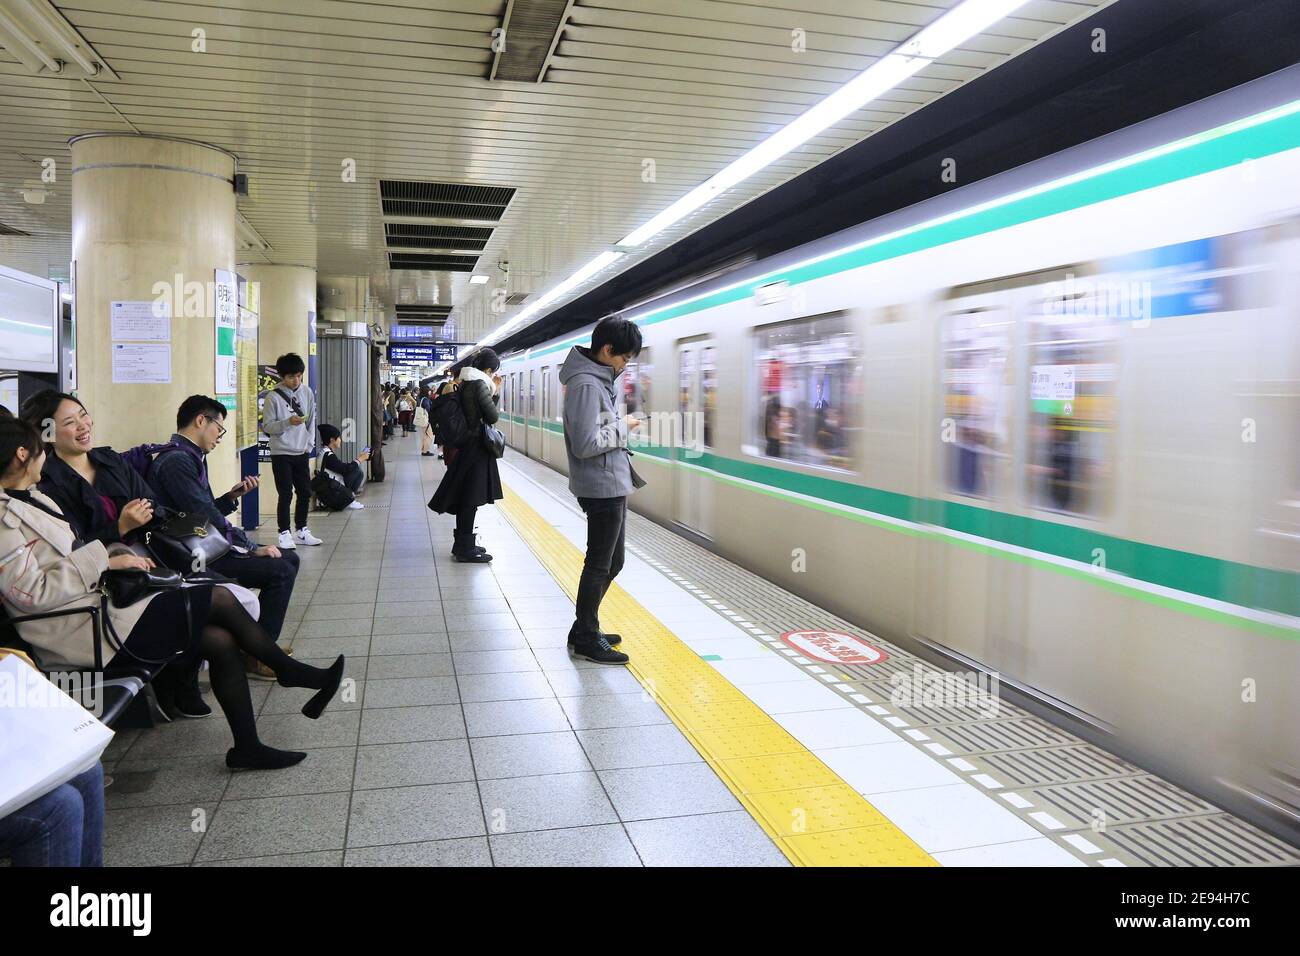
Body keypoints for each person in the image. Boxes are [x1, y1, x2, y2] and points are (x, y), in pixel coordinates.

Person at [0, 417, 344, 770]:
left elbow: (72, 554)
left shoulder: (34, 499)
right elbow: (30, 593)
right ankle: (289, 672)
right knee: (217, 598)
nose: (46, 455)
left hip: (101, 606)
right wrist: (104, 557)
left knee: (219, 639)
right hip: (80, 629)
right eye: (41, 447)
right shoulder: (5, 520)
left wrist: (113, 555)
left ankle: (248, 745)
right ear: (21, 454)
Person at [149, 395, 303, 684]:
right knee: (281, 569)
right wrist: (250, 547)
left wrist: (231, 498)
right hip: (189, 556)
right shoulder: (176, 462)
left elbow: (197, 514)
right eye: (219, 429)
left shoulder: (187, 457)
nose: (220, 437)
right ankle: (256, 656)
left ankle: (260, 646)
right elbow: (201, 515)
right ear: (200, 421)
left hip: (199, 543)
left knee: (289, 559)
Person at [558, 316, 646, 665]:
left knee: (613, 561)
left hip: (611, 481)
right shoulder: (586, 385)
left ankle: (584, 627)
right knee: (599, 563)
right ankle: (586, 637)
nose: (625, 366)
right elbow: (585, 443)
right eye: (623, 358)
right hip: (600, 486)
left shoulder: (598, 380)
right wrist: (624, 426)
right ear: (607, 350)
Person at [427, 349, 503, 562]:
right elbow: (492, 417)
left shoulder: (467, 382)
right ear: (488, 370)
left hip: (469, 446)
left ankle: (463, 543)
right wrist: (495, 392)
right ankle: (465, 549)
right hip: (476, 447)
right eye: (492, 372)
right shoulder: (480, 384)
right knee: (471, 497)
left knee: (467, 496)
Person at [261, 353, 321, 549]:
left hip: (301, 451)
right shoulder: (273, 397)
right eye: (291, 377)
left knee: (305, 491)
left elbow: (312, 421)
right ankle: (284, 533)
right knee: (285, 493)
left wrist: (309, 445)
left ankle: (302, 530)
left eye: (299, 375)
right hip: (281, 453)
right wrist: (287, 422)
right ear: (282, 377)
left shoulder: (307, 393)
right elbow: (268, 427)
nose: (296, 380)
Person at [316, 423, 368, 510]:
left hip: (331, 488)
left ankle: (349, 499)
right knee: (357, 471)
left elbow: (342, 467)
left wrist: (359, 460)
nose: (340, 440)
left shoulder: (325, 452)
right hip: (331, 492)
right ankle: (349, 500)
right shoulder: (327, 455)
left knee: (356, 470)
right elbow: (345, 469)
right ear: (332, 440)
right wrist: (359, 460)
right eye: (339, 438)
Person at [416, 387, 434, 456]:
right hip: (426, 420)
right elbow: (428, 409)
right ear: (426, 391)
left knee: (425, 435)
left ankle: (424, 450)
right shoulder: (425, 399)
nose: (430, 392)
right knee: (430, 436)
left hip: (423, 420)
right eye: (429, 390)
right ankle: (425, 451)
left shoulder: (421, 398)